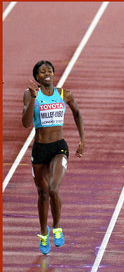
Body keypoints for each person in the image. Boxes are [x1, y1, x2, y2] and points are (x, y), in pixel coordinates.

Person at [22, 60, 85, 254]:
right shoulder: (31, 94)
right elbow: (25, 123)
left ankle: (57, 227)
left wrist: (82, 139)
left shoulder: (64, 94)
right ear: (37, 77)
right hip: (40, 149)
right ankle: (43, 232)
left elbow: (77, 113)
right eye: (42, 71)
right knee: (42, 194)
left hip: (59, 147)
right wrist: (33, 97)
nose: (47, 73)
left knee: (53, 188)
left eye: (49, 70)